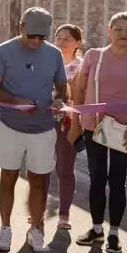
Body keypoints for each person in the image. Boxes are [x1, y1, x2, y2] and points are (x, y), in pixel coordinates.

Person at [70, 11, 127, 253]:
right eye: (118, 29)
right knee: (97, 178)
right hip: (93, 126)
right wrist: (76, 122)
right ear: (109, 31)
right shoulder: (93, 56)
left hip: (124, 130)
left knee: (117, 181)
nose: (124, 34)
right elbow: (80, 90)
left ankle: (115, 233)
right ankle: (96, 229)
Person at [0, 7, 69, 253]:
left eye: (41, 37)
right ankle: (5, 228)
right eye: (31, 35)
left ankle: (36, 230)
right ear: (20, 26)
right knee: (8, 177)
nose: (36, 41)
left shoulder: (54, 55)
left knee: (39, 181)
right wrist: (16, 102)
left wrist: (59, 102)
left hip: (43, 128)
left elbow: (62, 88)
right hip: (9, 126)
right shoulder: (2, 52)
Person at [52, 23, 85, 230]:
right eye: (59, 37)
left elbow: (83, 97)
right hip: (44, 120)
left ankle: (64, 214)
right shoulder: (47, 61)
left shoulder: (82, 66)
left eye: (67, 38)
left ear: (77, 43)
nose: (62, 42)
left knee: (65, 168)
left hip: (69, 122)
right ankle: (36, 210)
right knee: (40, 167)